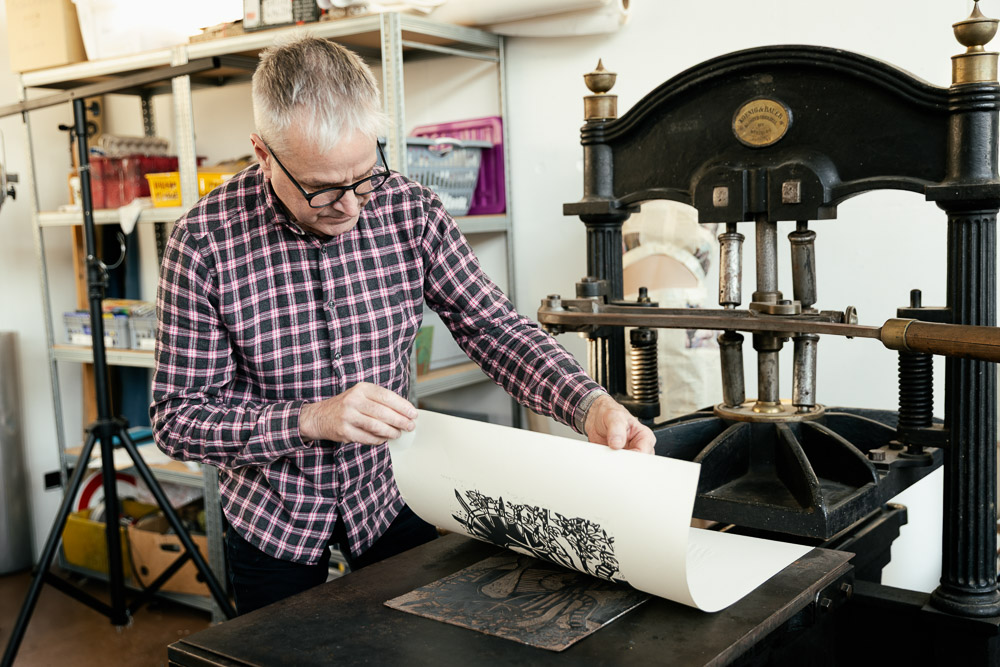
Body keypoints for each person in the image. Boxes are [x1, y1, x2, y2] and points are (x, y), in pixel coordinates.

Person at [150, 36, 654, 616]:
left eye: (364, 176)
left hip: (390, 498)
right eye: (322, 189)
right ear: (263, 153)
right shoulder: (204, 244)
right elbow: (179, 418)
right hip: (273, 520)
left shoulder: (410, 210)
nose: (350, 206)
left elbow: (493, 328)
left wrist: (588, 404)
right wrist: (310, 419)